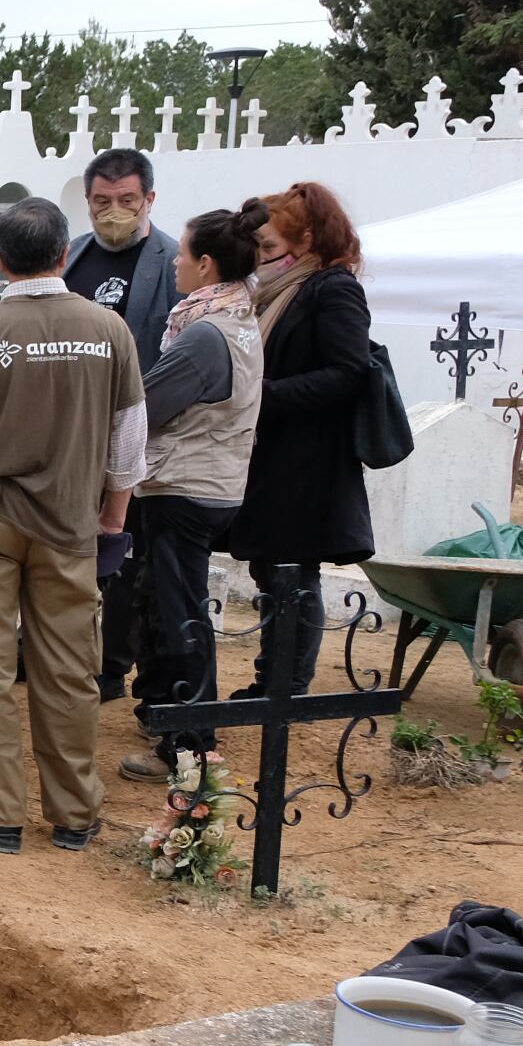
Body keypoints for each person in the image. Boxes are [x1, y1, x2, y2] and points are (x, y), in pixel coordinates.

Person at [0, 197, 147, 855]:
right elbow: (130, 443)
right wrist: (112, 518)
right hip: (71, 524)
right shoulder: (110, 332)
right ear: (65, 256)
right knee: (70, 670)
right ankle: (75, 815)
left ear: (1, 260)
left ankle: (0, 813)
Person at [118, 209, 267, 783]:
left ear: (206, 265)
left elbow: (145, 408)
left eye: (183, 254)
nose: (175, 262)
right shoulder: (237, 317)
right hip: (215, 480)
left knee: (177, 612)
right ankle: (175, 720)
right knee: (175, 605)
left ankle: (189, 744)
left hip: (185, 486)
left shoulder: (204, 334)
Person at [229, 182, 377, 700]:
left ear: (309, 239)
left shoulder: (332, 289)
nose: (261, 259)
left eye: (270, 248)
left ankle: (286, 687)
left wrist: (259, 395)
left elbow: (347, 373)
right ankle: (273, 680)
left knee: (293, 572)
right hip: (277, 456)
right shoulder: (289, 289)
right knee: (271, 569)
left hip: (308, 461)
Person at [66, 151, 177, 707]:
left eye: (127, 201)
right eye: (102, 202)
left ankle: (113, 666)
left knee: (126, 554)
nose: (114, 212)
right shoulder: (73, 259)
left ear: (149, 200)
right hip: (69, 438)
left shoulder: (174, 266)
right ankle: (67, 652)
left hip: (139, 436)